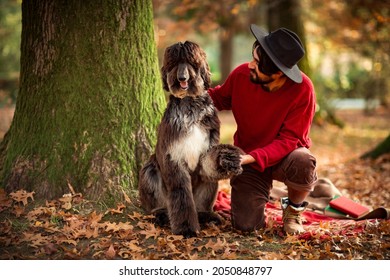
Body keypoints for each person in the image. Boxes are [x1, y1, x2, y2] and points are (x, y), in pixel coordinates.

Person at [208, 24, 320, 234]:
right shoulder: (241, 75)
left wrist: (249, 158)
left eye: (257, 63)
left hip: (285, 158)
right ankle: (268, 192)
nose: (250, 65)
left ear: (278, 73)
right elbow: (218, 98)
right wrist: (187, 94)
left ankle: (293, 209)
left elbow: (289, 140)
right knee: (246, 226)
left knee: (303, 161)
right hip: (250, 160)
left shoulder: (303, 89)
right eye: (253, 57)